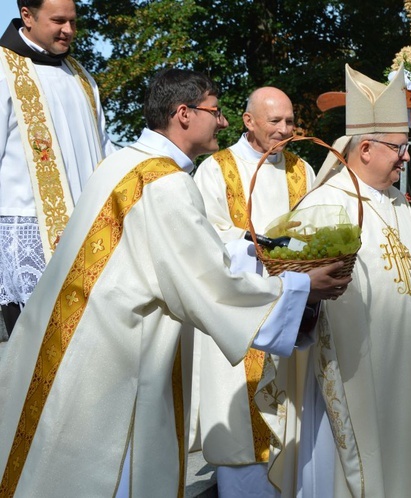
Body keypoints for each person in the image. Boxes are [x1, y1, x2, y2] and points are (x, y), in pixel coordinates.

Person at [0, 68, 350, 497]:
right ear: (184, 114)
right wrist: (302, 288)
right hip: (116, 361)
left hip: (74, 344)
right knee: (111, 478)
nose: (222, 122)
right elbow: (211, 284)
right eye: (215, 111)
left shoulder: (122, 163)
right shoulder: (166, 184)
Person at [259, 64, 411, 497]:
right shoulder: (325, 206)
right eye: (399, 148)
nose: (406, 157)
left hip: (404, 371)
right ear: (365, 148)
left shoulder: (400, 202)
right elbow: (299, 299)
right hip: (348, 373)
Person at [193, 86, 316, 497]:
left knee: (295, 428)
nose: (285, 130)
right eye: (274, 121)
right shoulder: (215, 169)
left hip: (294, 309)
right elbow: (205, 239)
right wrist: (258, 247)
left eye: (289, 120)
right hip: (241, 314)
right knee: (246, 445)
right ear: (249, 122)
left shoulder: (303, 169)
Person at [0, 0, 116, 335]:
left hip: (85, 232)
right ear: (27, 16)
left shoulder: (80, 76)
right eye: (58, 21)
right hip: (26, 231)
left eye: (73, 22)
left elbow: (104, 147)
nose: (69, 30)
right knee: (29, 355)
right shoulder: (4, 68)